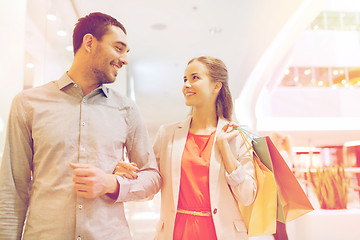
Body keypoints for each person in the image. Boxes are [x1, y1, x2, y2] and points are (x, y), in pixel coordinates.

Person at [0, 12, 161, 240]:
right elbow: (12, 190)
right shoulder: (27, 104)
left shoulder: (127, 109)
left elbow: (152, 177)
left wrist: (111, 183)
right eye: (118, 48)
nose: (124, 59)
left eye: (126, 52)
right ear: (89, 43)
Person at [116, 56, 257, 239]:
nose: (187, 85)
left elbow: (247, 196)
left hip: (222, 233)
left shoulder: (236, 136)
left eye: (195, 78)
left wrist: (226, 151)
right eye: (185, 79)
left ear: (217, 86)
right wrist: (125, 173)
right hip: (177, 231)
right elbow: (149, 181)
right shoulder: (168, 134)